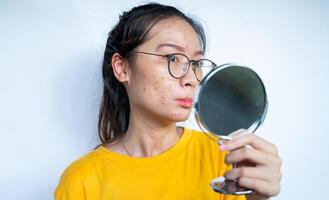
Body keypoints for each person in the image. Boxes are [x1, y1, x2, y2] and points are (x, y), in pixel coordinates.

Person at [54, 3, 281, 200]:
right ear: (122, 68)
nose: (192, 79)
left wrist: (258, 199)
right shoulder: (80, 183)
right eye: (172, 58)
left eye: (196, 63)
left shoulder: (225, 157)